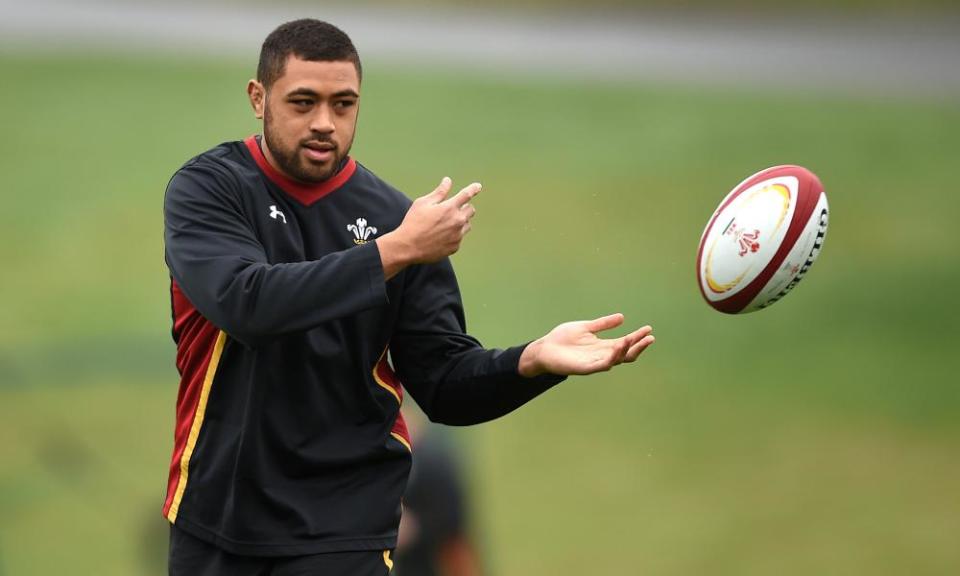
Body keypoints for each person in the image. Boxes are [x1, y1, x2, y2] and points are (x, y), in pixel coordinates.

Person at [162, 18, 655, 576]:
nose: (324, 123)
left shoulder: (397, 222)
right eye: (303, 102)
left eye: (343, 104)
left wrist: (531, 361)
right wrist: (392, 252)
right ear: (259, 98)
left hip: (344, 528)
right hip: (216, 517)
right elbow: (246, 304)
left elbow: (442, 385)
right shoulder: (209, 189)